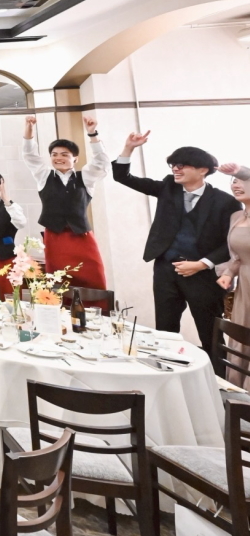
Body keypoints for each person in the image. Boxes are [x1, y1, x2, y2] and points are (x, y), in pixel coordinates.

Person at [113, 134, 240, 364]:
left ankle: (217, 381)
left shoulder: (225, 202)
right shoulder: (167, 188)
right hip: (165, 270)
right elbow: (123, 176)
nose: (175, 169)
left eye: (182, 165)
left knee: (210, 333)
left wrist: (201, 264)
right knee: (165, 331)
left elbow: (230, 242)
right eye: (173, 165)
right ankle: (167, 374)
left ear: (203, 170)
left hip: (203, 275)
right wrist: (128, 148)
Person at [23, 114, 109, 290]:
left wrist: (93, 134)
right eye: (54, 155)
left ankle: (97, 307)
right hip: (55, 237)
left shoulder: (85, 176)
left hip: (82, 236)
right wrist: (29, 129)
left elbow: (101, 163)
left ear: (75, 158)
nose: (58, 158)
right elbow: (29, 155)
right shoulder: (43, 175)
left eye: (64, 154)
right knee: (58, 282)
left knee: (93, 277)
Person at [217, 163, 250, 386]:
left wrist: (240, 170)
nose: (236, 185)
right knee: (241, 335)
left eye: (242, 181)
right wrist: (228, 273)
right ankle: (239, 393)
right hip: (244, 286)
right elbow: (238, 256)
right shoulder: (237, 216)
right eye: (234, 181)